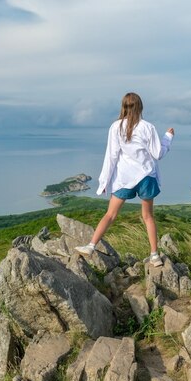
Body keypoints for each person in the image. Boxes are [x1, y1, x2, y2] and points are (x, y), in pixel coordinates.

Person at [74, 92, 174, 267]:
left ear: (123, 107)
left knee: (110, 214)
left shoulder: (116, 127)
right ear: (140, 107)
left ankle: (91, 246)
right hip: (146, 176)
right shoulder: (147, 127)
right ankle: (155, 256)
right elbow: (158, 154)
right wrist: (168, 137)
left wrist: (104, 181)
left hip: (124, 178)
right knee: (148, 216)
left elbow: (111, 156)